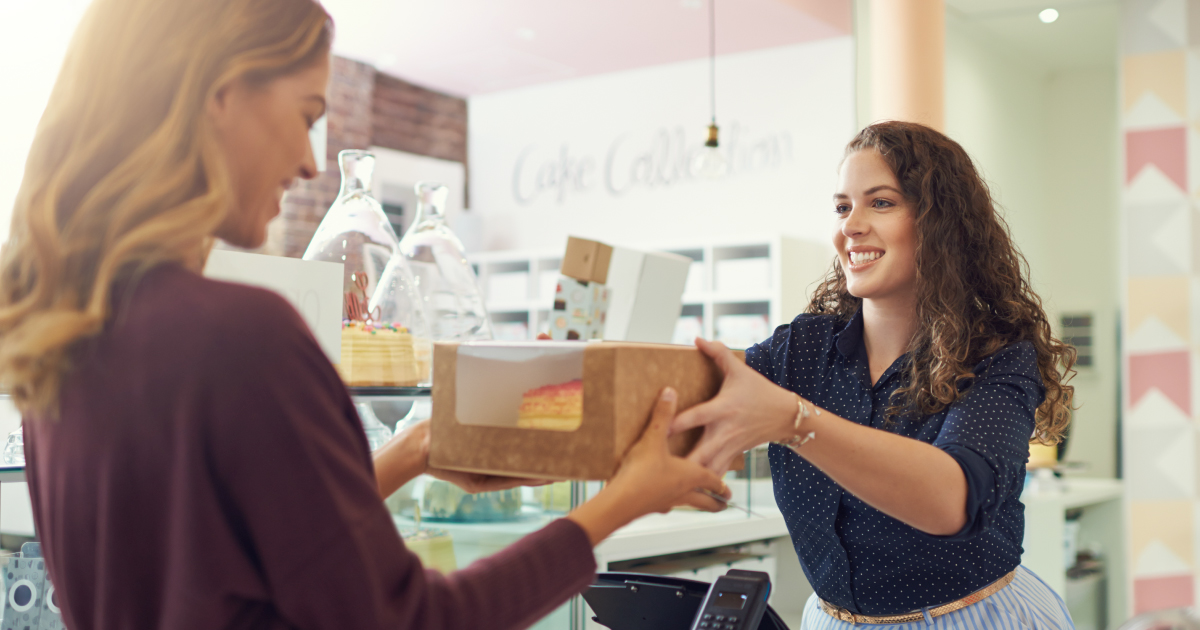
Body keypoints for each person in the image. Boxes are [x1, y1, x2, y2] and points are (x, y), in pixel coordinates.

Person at [0, 1, 729, 628]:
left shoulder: (59, 331)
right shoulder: (241, 336)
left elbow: (217, 559)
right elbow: (410, 620)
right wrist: (621, 503)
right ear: (218, 93)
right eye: (305, 116)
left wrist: (414, 454)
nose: (310, 162)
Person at [672, 121, 1077, 628]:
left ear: (939, 222)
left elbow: (954, 499)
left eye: (880, 203)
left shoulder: (996, 354)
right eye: (843, 208)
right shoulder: (800, 348)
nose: (851, 226)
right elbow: (683, 400)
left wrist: (794, 422)